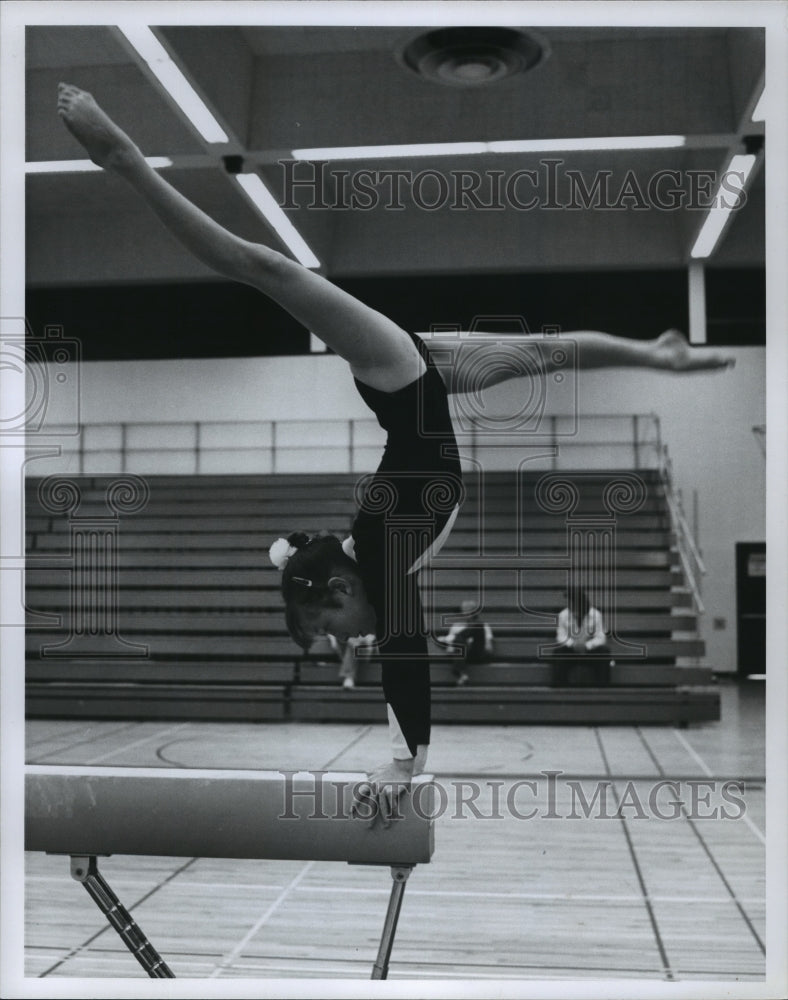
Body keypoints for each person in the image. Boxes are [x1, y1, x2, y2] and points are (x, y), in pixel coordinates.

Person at [57, 83, 734, 821]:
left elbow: (405, 660)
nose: (338, 644)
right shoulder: (371, 556)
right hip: (419, 388)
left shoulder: (381, 558)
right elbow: (366, 614)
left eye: (327, 634)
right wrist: (405, 758)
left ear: (342, 595)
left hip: (399, 379)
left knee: (267, 269)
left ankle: (123, 157)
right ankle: (658, 356)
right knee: (545, 352)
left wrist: (403, 764)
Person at [549, 586, 612, 687]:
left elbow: (601, 638)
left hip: (590, 652)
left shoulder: (596, 615)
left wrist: (587, 645)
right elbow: (560, 636)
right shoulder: (563, 615)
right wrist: (573, 644)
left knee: (604, 652)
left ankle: (603, 689)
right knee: (558, 653)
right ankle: (559, 690)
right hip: (571, 651)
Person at [437, 599, 494, 685]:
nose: (466, 613)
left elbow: (489, 649)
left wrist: (467, 643)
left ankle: (459, 672)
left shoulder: (483, 626)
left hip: (476, 652)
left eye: (470, 610)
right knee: (459, 640)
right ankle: (462, 674)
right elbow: (450, 648)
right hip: (460, 654)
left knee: (475, 628)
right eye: (465, 610)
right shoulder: (456, 626)